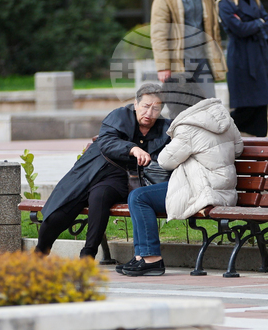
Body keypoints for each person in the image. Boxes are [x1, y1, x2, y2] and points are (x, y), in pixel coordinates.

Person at [36, 84, 171, 259]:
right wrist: (133, 149)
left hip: (122, 176)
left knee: (100, 197)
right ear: (136, 104)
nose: (149, 112)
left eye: (155, 108)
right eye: (146, 106)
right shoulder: (119, 115)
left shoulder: (165, 129)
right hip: (92, 169)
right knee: (59, 213)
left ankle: (88, 255)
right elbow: (107, 142)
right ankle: (39, 252)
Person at [119, 97, 243, 276]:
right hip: (224, 189)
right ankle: (140, 257)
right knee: (139, 197)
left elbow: (165, 161)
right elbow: (238, 149)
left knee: (139, 197)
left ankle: (151, 258)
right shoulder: (226, 121)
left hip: (202, 189)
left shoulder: (189, 127)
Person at [150, 0, 226, 115]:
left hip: (203, 60)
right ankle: (180, 141)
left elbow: (213, 29)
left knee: (210, 106)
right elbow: (158, 33)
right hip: (179, 62)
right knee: (180, 110)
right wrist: (163, 65)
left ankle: (208, 141)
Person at [217, 0, 268, 137]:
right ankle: (218, 131)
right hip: (242, 60)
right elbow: (239, 29)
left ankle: (260, 151)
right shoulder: (225, 4)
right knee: (246, 107)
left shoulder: (254, 0)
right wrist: (259, 22)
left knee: (260, 108)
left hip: (260, 57)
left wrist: (251, 24)